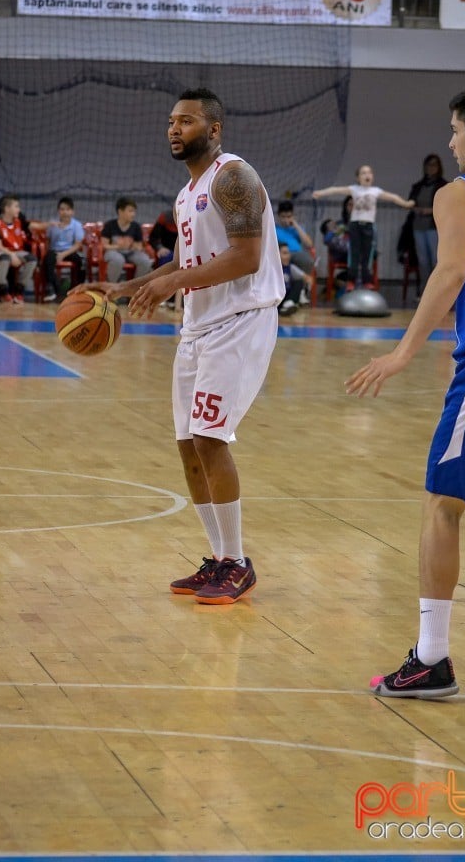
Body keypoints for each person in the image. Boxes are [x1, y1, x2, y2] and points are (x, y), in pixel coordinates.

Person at [345, 82, 465, 699]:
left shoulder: (458, 191)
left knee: (442, 504)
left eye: (453, 131)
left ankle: (433, 660)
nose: (449, 143)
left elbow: (450, 271)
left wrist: (402, 353)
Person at [78, 87, 285, 604]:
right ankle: (217, 558)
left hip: (241, 320)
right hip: (198, 326)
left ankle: (237, 563)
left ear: (213, 130)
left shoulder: (234, 177)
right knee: (189, 446)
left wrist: (174, 285)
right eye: (171, 121)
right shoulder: (186, 193)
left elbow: (246, 258)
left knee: (211, 438)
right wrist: (128, 288)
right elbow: (183, 262)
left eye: (186, 121)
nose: (174, 129)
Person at [313, 166, 414, 291]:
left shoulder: (375, 191)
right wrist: (321, 193)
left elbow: (393, 197)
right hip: (355, 225)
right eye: (363, 173)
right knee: (354, 253)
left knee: (367, 253)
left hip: (368, 225)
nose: (367, 175)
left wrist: (406, 204)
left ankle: (367, 280)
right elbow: (336, 190)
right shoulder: (354, 189)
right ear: (358, 177)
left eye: (369, 172)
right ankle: (351, 280)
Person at [407, 153, 448, 292]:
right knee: (423, 262)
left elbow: (446, 206)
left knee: (436, 261)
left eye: (434, 165)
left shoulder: (443, 185)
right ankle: (424, 290)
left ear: (439, 167)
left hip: (434, 227)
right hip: (418, 226)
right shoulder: (418, 186)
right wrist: (415, 208)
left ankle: (438, 291)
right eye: (428, 165)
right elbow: (411, 202)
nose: (431, 168)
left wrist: (430, 211)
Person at [0, 194, 37, 303]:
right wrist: (12, 255)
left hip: (18, 252)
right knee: (5, 258)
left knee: (32, 259)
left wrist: (49, 224)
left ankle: (19, 290)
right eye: (16, 206)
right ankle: (3, 291)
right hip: (3, 251)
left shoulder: (19, 222)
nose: (19, 209)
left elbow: (34, 226)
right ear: (7, 208)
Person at [38, 197, 85, 303]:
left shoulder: (77, 225)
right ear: (58, 211)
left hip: (69, 251)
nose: (65, 212)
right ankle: (52, 289)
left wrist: (63, 255)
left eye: (68, 209)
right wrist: (52, 253)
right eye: (62, 209)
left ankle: (77, 289)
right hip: (54, 250)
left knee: (81, 260)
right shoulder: (52, 224)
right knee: (47, 259)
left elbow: (77, 245)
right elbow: (48, 241)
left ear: (72, 212)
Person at [100, 197, 153, 289]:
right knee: (118, 260)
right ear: (120, 211)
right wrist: (118, 246)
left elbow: (139, 246)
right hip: (114, 252)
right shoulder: (110, 225)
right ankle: (110, 288)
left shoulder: (135, 226)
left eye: (134, 211)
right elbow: (104, 246)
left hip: (130, 252)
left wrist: (133, 246)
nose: (133, 214)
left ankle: (134, 289)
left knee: (145, 261)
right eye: (130, 211)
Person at [278, 243, 309, 315]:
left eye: (288, 253)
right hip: (275, 299)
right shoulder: (271, 269)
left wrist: (306, 288)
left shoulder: (291, 267)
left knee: (299, 282)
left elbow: (306, 277)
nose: (288, 256)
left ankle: (287, 305)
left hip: (286, 297)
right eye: (285, 253)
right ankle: (283, 308)